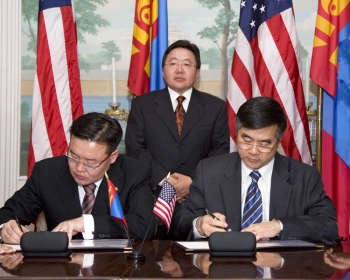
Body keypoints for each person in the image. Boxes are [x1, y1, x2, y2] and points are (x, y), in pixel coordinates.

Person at [172, 96, 340, 244]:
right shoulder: (209, 171)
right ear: (237, 133)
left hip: (283, 271)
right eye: (246, 140)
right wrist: (199, 225)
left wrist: (279, 226)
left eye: (264, 144)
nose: (253, 151)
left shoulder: (304, 177)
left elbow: (328, 226)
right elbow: (180, 221)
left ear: (278, 141)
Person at [125, 40, 229, 237]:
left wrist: (192, 182)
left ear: (197, 72)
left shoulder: (216, 107)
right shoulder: (142, 105)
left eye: (187, 64)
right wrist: (166, 181)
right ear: (163, 70)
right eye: (173, 63)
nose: (179, 69)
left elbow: (219, 152)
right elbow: (136, 149)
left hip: (199, 198)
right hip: (152, 196)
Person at [0, 112, 155, 244]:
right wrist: (5, 227)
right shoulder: (47, 172)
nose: (79, 168)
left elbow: (144, 226)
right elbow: (7, 214)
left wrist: (86, 223)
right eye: (73, 156)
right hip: (61, 270)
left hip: (113, 268)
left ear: (112, 157)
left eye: (90, 162)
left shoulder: (134, 173)